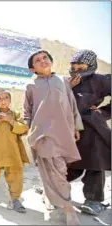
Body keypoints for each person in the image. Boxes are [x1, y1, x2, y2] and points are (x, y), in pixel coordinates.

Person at [25, 50, 83, 225]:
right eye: (38, 60)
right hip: (43, 135)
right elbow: (27, 111)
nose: (43, 61)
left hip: (63, 132)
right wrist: (29, 132)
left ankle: (51, 196)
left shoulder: (63, 81)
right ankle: (67, 207)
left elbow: (71, 103)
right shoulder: (31, 86)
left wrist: (76, 126)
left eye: (45, 58)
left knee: (61, 170)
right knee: (53, 169)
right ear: (32, 68)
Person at [67, 50, 111, 216]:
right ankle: (53, 190)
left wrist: (104, 112)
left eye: (80, 65)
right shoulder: (67, 80)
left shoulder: (101, 80)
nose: (76, 68)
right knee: (67, 163)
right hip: (70, 127)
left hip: (93, 127)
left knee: (95, 162)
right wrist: (68, 86)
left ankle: (93, 201)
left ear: (91, 65)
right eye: (73, 65)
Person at [0, 89, 29, 213]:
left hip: (13, 151)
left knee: (15, 174)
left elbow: (23, 129)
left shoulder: (15, 114)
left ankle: (15, 199)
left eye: (5, 98)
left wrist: (9, 120)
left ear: (10, 100)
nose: (3, 101)